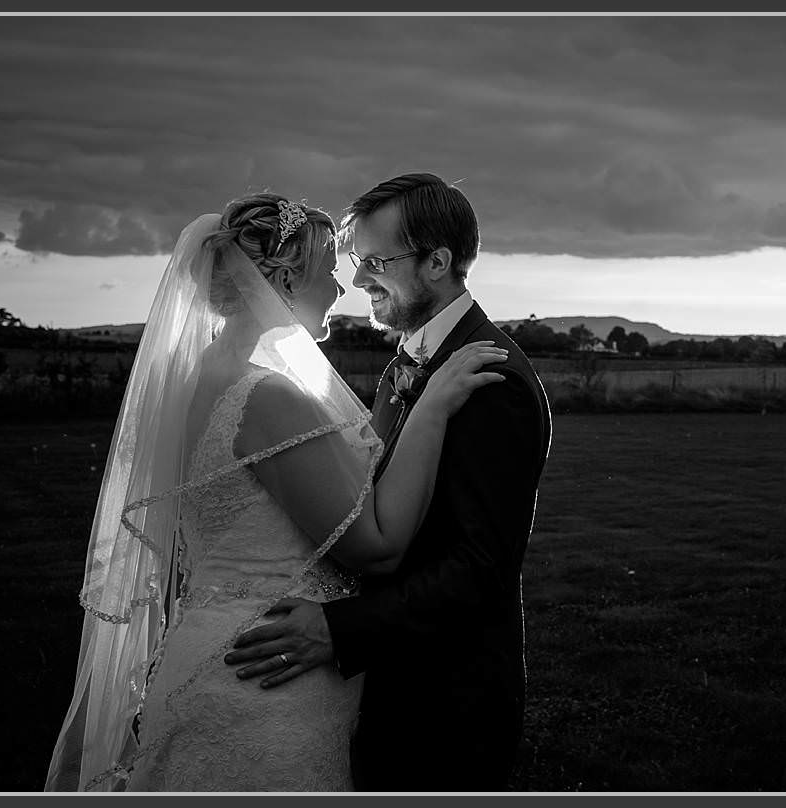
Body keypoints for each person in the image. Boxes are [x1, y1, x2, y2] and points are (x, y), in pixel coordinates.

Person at [44, 192, 509, 791]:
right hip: (268, 673)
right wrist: (436, 404)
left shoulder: (197, 381)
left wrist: (394, 403)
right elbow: (378, 543)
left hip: (209, 649)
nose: (342, 291)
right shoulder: (268, 397)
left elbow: (330, 484)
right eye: (330, 274)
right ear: (287, 277)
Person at [226, 173, 553, 791]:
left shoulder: (490, 378)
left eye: (377, 261)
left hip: (444, 707)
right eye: (355, 261)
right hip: (388, 690)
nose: (359, 279)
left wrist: (338, 629)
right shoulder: (410, 361)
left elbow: (480, 567)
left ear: (438, 261)